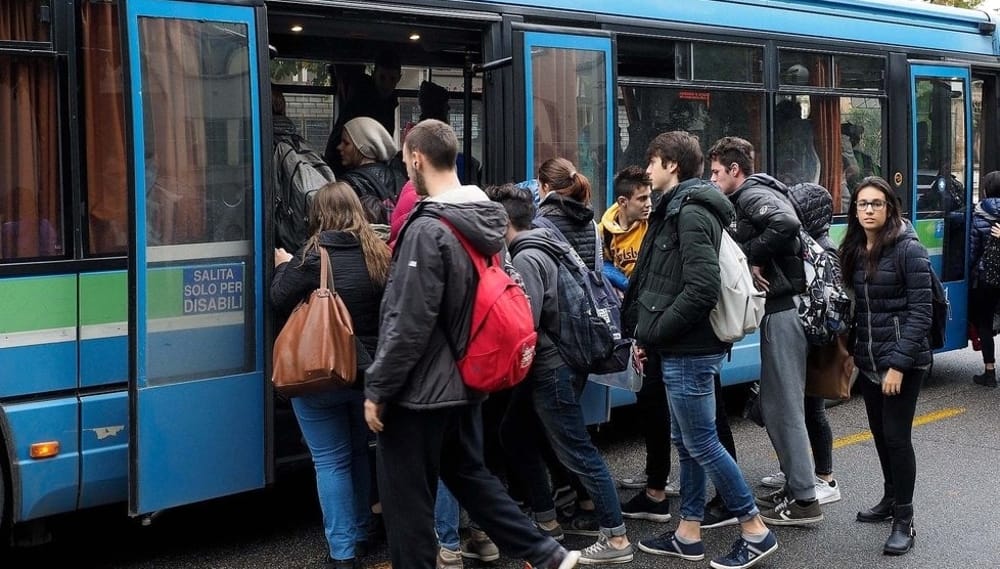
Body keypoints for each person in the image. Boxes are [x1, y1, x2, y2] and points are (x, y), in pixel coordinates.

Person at [362, 119, 580, 569]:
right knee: (469, 475)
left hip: (420, 391)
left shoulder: (428, 228)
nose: (406, 170)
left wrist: (379, 388)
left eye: (406, 162)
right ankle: (545, 554)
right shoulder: (484, 218)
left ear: (417, 158)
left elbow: (407, 321)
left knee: (408, 511)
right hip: (466, 380)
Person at [625, 131, 778, 569]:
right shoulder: (677, 208)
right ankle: (689, 533)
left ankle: (754, 528)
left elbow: (701, 289)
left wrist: (655, 332)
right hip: (681, 348)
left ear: (671, 164)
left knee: (702, 441)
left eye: (652, 162)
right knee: (688, 442)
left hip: (689, 348)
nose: (648, 171)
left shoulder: (690, 212)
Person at [491, 180, 636, 565]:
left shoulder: (525, 257)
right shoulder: (545, 242)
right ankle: (546, 519)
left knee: (576, 450)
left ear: (504, 223)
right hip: (560, 361)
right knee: (514, 432)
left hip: (550, 366)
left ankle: (616, 538)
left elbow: (526, 321)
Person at [270, 181, 391, 569]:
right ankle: (362, 530)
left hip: (322, 374)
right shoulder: (379, 254)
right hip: (367, 375)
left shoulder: (311, 257)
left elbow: (277, 298)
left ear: (318, 215)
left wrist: (282, 265)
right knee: (358, 451)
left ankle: (343, 553)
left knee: (330, 461)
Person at [707, 137, 822, 527]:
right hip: (780, 310)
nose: (713, 179)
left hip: (783, 310)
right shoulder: (754, 193)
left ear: (734, 171)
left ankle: (805, 500)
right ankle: (796, 487)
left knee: (784, 407)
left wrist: (753, 255)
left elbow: (786, 223)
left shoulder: (753, 193)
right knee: (776, 406)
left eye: (717, 172)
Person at [838, 176, 933, 556]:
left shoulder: (908, 249)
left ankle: (904, 520)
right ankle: (890, 499)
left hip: (901, 364)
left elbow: (920, 312)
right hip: (870, 360)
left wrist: (898, 365)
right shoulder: (856, 249)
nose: (868, 210)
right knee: (880, 434)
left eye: (876, 204)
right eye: (862, 204)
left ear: (890, 208)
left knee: (896, 437)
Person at [599, 166, 680, 521]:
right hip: (628, 327)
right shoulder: (603, 230)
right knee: (647, 404)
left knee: (655, 405)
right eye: (642, 198)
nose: (649, 204)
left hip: (653, 326)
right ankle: (654, 476)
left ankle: (657, 490)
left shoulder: (656, 228)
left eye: (651, 196)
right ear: (623, 202)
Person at [757, 183, 842, 507]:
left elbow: (830, 299)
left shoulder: (823, 247)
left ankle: (825, 477)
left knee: (812, 411)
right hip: (807, 335)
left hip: (814, 339)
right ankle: (797, 472)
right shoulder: (807, 243)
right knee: (797, 409)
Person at [337, 117, 405, 224]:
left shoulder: (347, 185)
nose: (339, 147)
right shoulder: (399, 177)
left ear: (362, 147)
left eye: (346, 143)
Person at [969, 171, 1000, 387]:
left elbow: (972, 250)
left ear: (986, 190)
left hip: (986, 276)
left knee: (984, 323)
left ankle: (989, 373)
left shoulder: (979, 214)